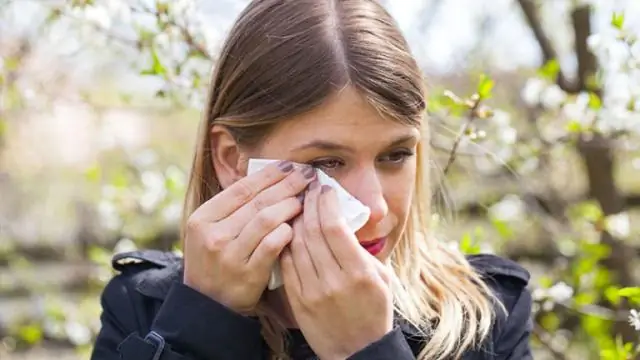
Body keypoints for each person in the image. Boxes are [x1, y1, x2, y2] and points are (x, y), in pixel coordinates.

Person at [90, 0, 533, 359]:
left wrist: (369, 351)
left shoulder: (486, 316)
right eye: (327, 164)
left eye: (395, 155)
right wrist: (203, 325)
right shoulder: (144, 310)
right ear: (231, 158)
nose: (375, 208)